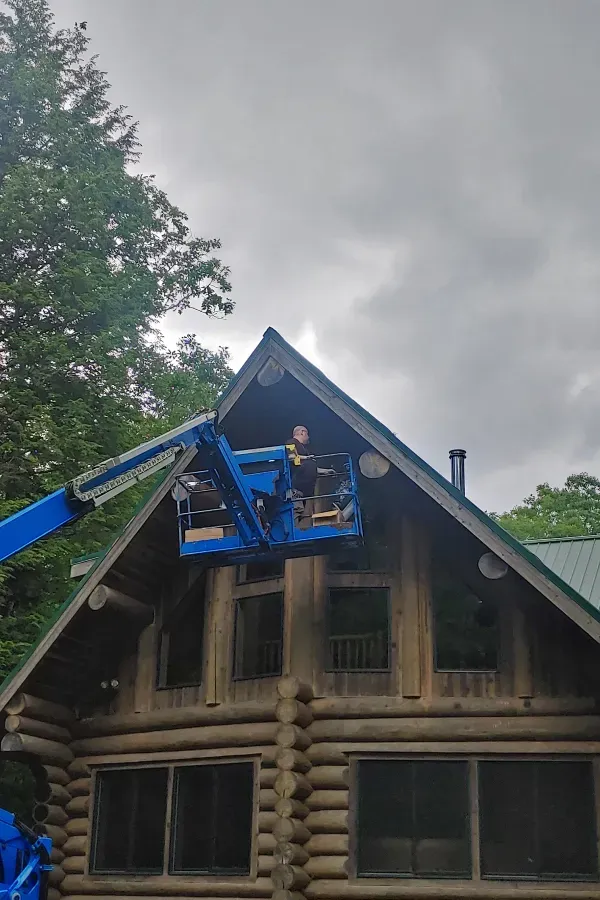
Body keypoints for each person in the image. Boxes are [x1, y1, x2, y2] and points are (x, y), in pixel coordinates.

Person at [288, 425, 335, 519]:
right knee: (295, 515)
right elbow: (290, 457)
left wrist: (326, 471)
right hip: (295, 491)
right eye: (307, 434)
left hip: (304, 494)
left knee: (301, 514)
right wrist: (306, 458)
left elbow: (309, 467)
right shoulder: (291, 443)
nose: (308, 437)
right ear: (302, 432)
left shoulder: (304, 449)